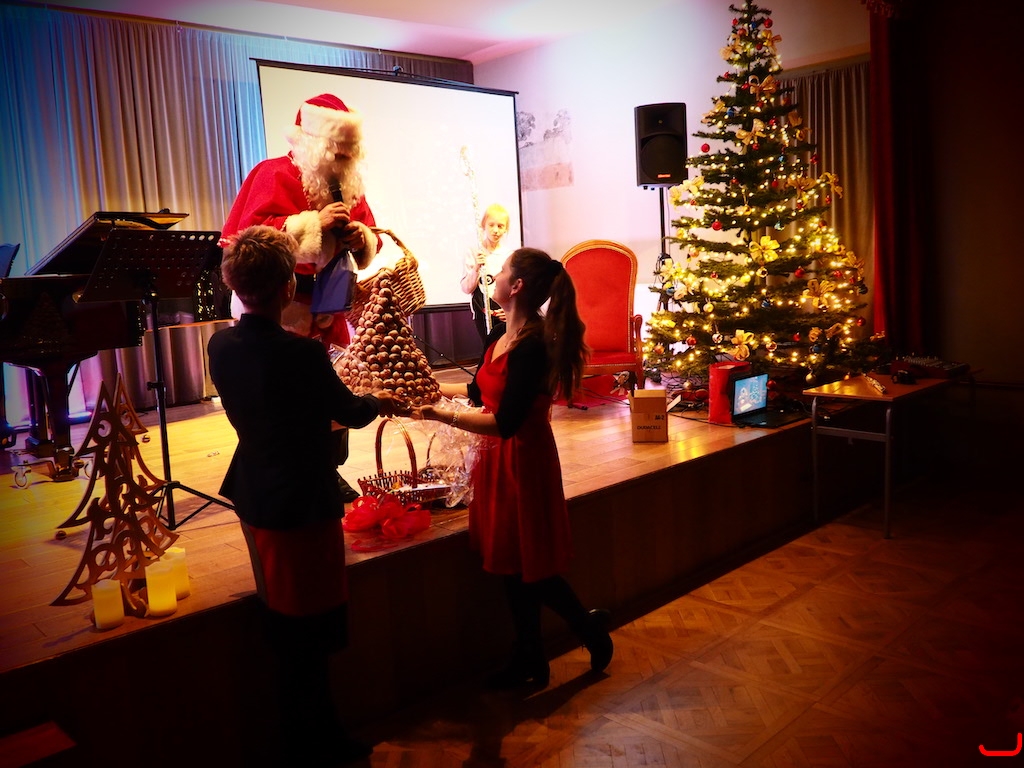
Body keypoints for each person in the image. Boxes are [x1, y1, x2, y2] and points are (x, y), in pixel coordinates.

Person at [208, 225, 400, 765]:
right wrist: (377, 398)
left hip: (255, 491)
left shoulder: (220, 344)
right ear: (289, 287)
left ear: (233, 282)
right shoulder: (302, 355)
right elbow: (352, 412)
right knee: (309, 630)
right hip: (299, 498)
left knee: (281, 618)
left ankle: (304, 736)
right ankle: (318, 742)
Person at [413, 247, 613, 689]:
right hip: (497, 459)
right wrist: (425, 387)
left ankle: (584, 630)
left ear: (517, 286)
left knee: (531, 566)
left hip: (522, 460)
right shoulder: (499, 335)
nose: (496, 276)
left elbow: (505, 423)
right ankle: (532, 659)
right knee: (510, 564)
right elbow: (477, 390)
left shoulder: (533, 346)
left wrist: (440, 414)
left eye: (502, 271)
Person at [220, 92, 383, 502]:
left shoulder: (349, 184)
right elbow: (249, 237)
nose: (344, 158)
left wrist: (360, 237)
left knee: (333, 387)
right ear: (313, 142)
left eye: (349, 150)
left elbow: (372, 236)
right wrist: (313, 222)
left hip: (329, 304)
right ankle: (285, 465)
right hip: (280, 303)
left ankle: (329, 468)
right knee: (282, 397)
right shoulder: (272, 173)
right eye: (337, 149)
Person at [459, 203, 512, 344]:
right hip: (483, 312)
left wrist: (509, 310)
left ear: (506, 229)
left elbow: (513, 288)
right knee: (489, 348)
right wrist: (476, 268)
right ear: (483, 225)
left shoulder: (509, 255)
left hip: (504, 313)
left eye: (500, 226)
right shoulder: (474, 252)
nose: (495, 230)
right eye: (491, 225)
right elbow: (466, 288)